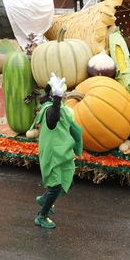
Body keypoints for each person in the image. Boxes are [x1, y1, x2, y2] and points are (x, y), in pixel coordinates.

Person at [32, 74, 83, 229]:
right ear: (54, 94)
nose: (65, 94)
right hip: (54, 155)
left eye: (64, 92)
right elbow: (53, 119)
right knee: (56, 186)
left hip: (63, 153)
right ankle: (42, 215)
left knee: (69, 182)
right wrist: (56, 99)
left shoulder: (64, 110)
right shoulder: (50, 110)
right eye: (62, 92)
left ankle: (45, 198)